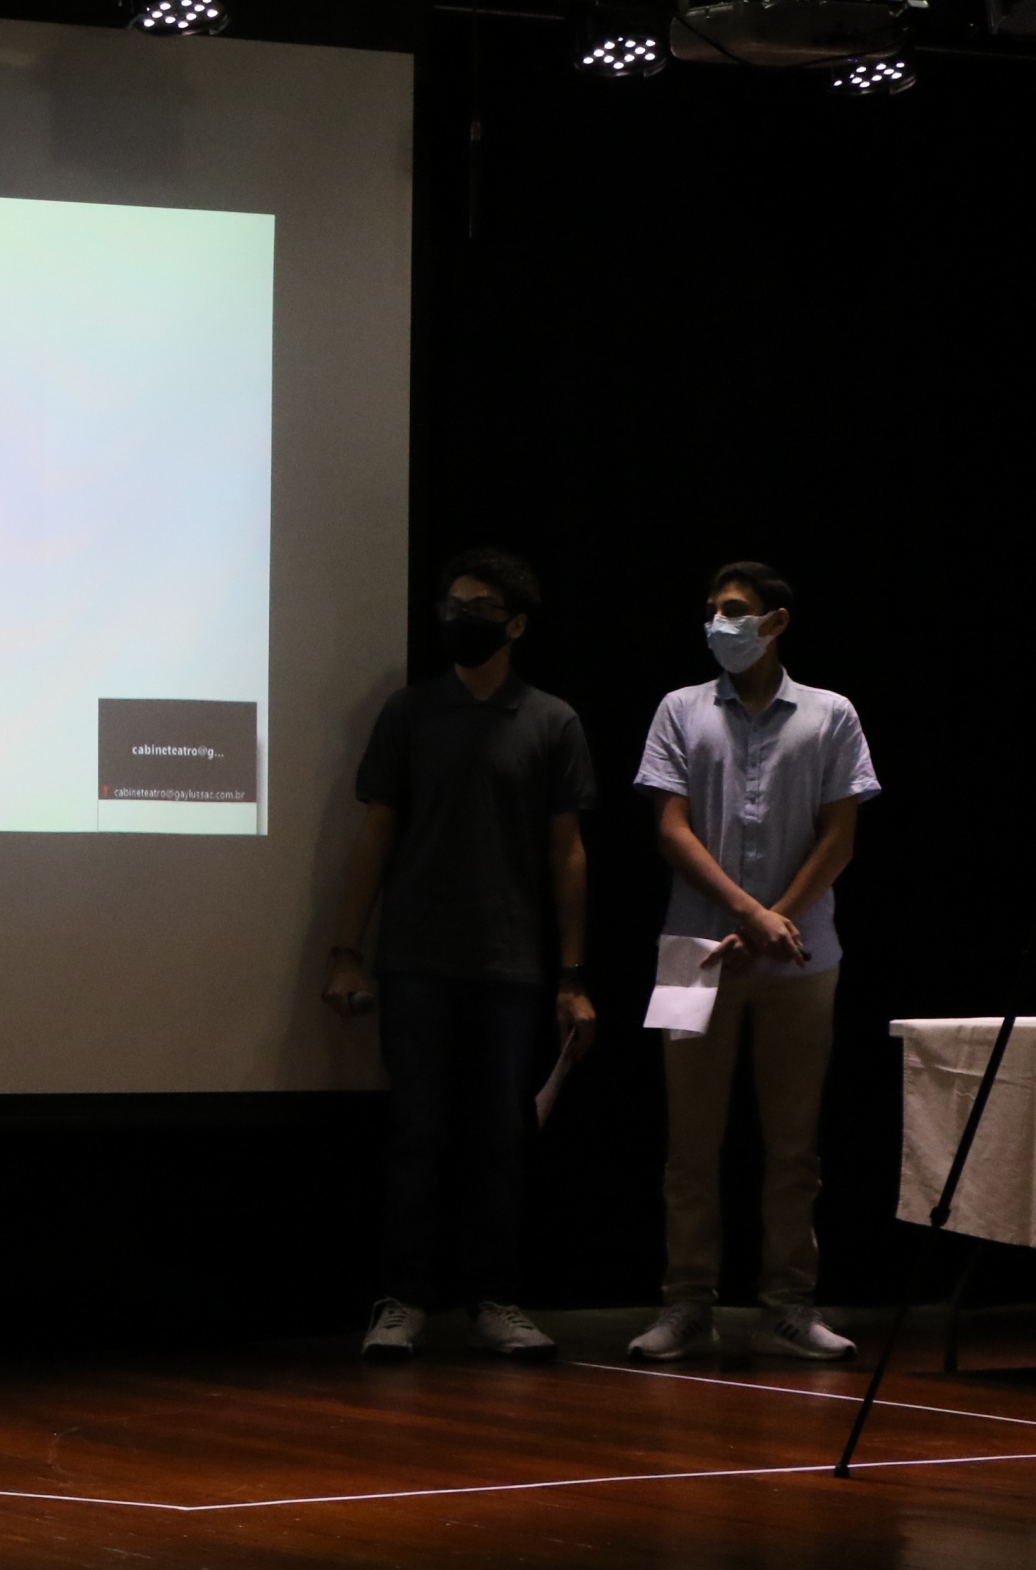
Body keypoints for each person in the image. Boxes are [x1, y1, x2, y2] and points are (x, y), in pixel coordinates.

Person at [323, 547, 597, 1361]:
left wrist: (572, 976)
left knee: (500, 1140)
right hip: (416, 960)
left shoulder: (552, 720)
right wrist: (346, 951)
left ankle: (494, 1298)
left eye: (480, 608)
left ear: (515, 624)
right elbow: (374, 834)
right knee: (416, 1134)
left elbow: (568, 852)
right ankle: (403, 1299)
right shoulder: (410, 712)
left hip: (509, 968)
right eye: (453, 605)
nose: (460, 618)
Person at [626, 562, 879, 1363]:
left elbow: (840, 837)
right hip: (694, 951)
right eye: (711, 610)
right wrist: (750, 913)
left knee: (794, 1145)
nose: (717, 623)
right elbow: (671, 830)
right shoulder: (680, 708)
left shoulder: (831, 713)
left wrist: (778, 921)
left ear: (775, 622)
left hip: (802, 956)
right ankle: (687, 1303)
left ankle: (788, 1305)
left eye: (733, 610)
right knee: (690, 1147)